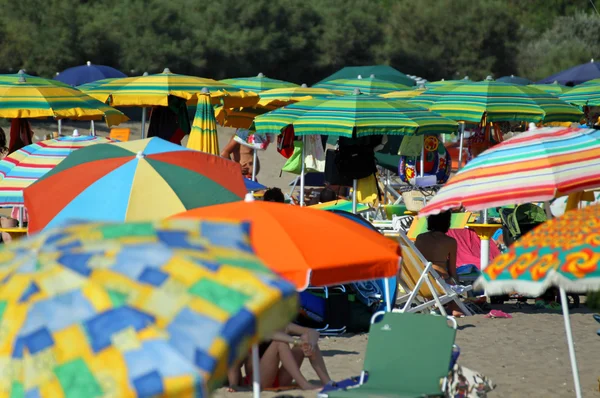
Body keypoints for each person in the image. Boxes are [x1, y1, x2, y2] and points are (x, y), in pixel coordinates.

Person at [228, 323, 332, 391]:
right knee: (279, 343)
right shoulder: (252, 330)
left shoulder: (282, 325)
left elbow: (313, 332)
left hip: (280, 379)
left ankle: (327, 382)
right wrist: (233, 384)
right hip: (258, 381)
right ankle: (304, 384)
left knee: (307, 338)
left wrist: (311, 344)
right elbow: (233, 364)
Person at [415, 211, 464, 317]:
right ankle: (454, 306)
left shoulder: (420, 238)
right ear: (447, 223)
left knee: (435, 278)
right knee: (450, 281)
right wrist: (458, 285)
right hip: (440, 284)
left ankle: (436, 304)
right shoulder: (450, 241)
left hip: (420, 283)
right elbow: (452, 269)